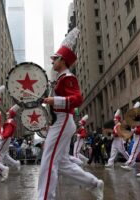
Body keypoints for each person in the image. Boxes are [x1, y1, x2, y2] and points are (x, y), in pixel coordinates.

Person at [38, 28, 104, 200]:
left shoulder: (68, 77)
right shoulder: (61, 78)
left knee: (49, 161)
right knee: (62, 163)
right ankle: (94, 183)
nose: (52, 61)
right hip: (60, 122)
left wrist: (54, 101)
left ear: (63, 60)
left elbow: (77, 99)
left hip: (63, 121)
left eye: (55, 59)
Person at [0, 104, 21, 170]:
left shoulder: (9, 121)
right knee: (5, 155)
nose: (6, 114)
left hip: (5, 138)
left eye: (8, 113)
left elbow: (7, 132)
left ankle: (0, 169)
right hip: (7, 138)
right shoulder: (11, 121)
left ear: (10, 115)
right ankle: (16, 163)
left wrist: (1, 137)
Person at [121, 102, 140, 170]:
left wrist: (134, 130)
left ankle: (129, 164)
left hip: (139, 137)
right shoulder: (135, 118)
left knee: (134, 151)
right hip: (137, 137)